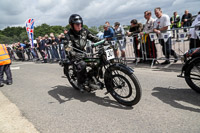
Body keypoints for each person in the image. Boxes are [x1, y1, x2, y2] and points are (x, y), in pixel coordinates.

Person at [63, 14, 100, 92]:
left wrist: (104, 42)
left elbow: (94, 38)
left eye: (80, 23)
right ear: (71, 25)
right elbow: (67, 47)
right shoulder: (68, 34)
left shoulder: (84, 31)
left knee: (97, 61)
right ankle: (80, 83)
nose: (79, 25)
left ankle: (93, 78)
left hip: (83, 52)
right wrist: (73, 54)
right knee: (82, 64)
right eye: (76, 24)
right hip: (73, 54)